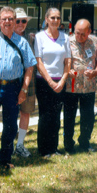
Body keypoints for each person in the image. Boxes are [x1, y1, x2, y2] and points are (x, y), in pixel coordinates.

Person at [0, 6, 36, 169]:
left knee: (10, 124)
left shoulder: (22, 43)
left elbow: (29, 68)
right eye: (4, 19)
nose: (8, 22)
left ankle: (5, 158)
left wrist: (24, 90)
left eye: (11, 19)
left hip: (13, 88)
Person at [34, 8, 71, 157]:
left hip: (60, 81)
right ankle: (44, 149)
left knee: (56, 115)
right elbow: (39, 61)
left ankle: (54, 148)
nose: (55, 20)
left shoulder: (65, 37)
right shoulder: (39, 37)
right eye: (52, 18)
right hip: (43, 81)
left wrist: (62, 80)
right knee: (45, 115)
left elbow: (68, 61)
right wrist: (50, 81)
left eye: (58, 18)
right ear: (47, 19)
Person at [63, 19, 97, 154]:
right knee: (69, 116)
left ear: (89, 32)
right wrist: (67, 71)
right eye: (77, 33)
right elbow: (61, 61)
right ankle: (68, 144)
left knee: (88, 117)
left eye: (83, 34)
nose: (79, 37)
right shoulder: (67, 41)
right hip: (71, 86)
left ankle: (84, 142)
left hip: (89, 86)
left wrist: (96, 72)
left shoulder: (95, 42)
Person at [13, 7, 35, 158]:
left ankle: (20, 144)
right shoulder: (5, 37)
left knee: (25, 112)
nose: (21, 23)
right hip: (11, 83)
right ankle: (9, 144)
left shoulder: (32, 39)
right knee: (11, 114)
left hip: (29, 82)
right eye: (18, 20)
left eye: (24, 21)